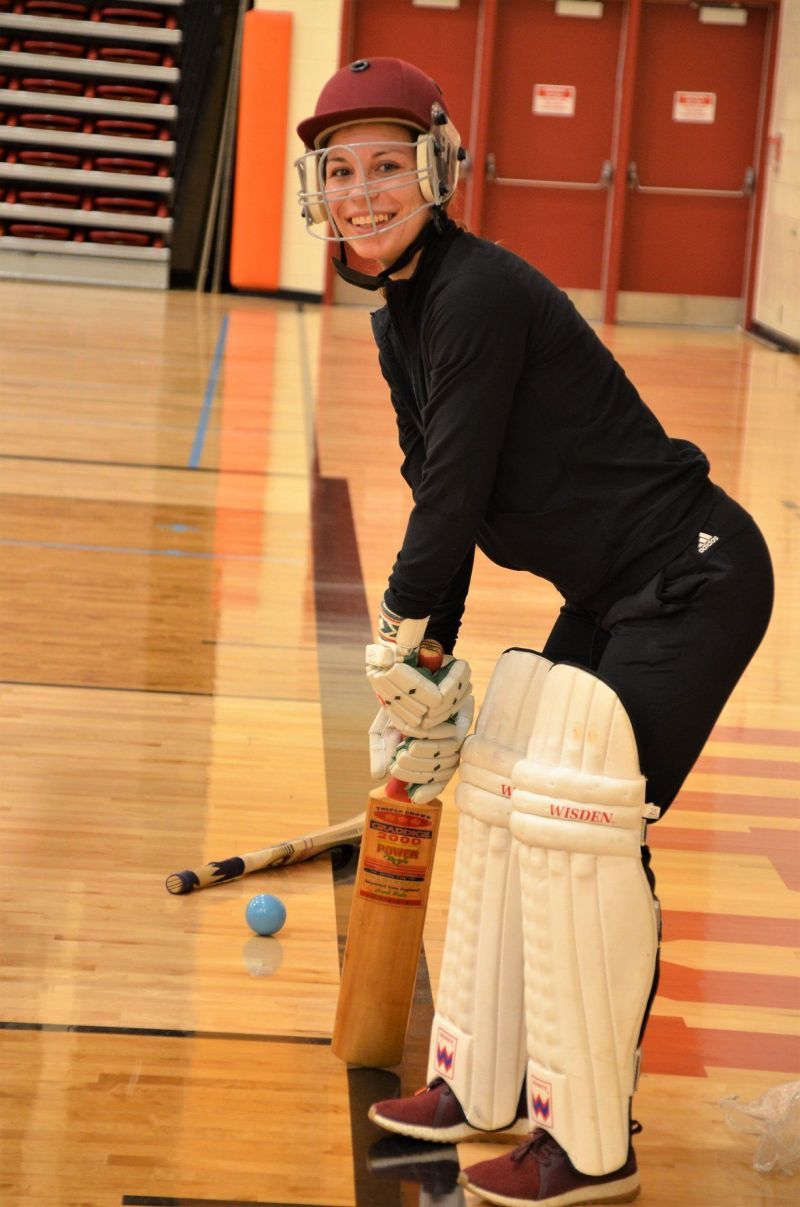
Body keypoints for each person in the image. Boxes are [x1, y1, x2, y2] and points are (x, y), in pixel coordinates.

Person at [295, 58, 774, 1207]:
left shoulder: (473, 295)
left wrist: (398, 644)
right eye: (342, 172)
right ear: (317, 191)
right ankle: (484, 1080)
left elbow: (450, 494)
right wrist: (425, 665)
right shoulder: (401, 316)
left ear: (438, 169)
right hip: (612, 588)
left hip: (689, 577)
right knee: (511, 805)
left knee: (586, 840)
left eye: (387, 166)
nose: (364, 193)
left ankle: (590, 1142)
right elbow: (439, 496)